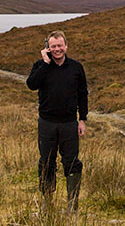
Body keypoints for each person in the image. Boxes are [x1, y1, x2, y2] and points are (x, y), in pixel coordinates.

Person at [25, 30, 88, 210]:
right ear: (48, 48)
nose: (57, 49)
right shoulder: (40, 66)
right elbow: (31, 84)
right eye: (53, 46)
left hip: (69, 123)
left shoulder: (76, 68)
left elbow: (83, 95)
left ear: (66, 46)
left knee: (72, 162)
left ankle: (72, 205)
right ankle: (47, 203)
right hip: (47, 123)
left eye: (60, 46)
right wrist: (45, 64)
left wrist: (82, 120)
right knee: (46, 162)